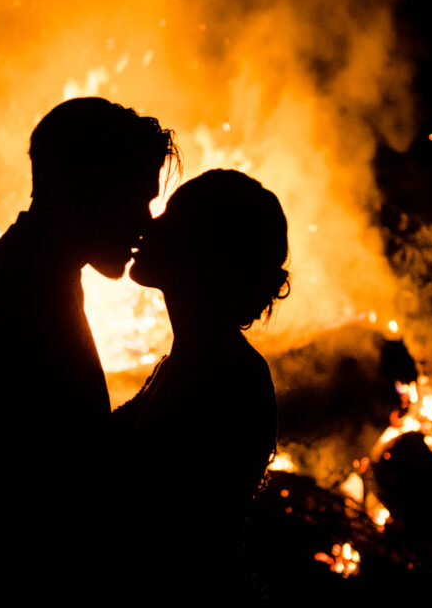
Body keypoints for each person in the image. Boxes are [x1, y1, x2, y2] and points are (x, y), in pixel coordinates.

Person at [0, 97, 179, 594]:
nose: (145, 222)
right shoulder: (18, 297)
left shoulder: (29, 278)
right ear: (87, 191)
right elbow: (63, 485)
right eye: (134, 199)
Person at [112, 169, 290, 599]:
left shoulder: (224, 375)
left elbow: (164, 530)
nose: (150, 226)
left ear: (202, 253)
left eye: (170, 218)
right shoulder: (197, 358)